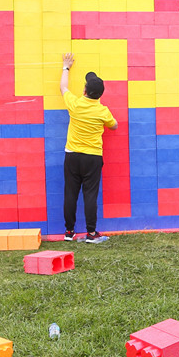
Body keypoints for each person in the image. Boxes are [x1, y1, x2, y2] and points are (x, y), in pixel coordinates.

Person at [60, 52, 118, 243]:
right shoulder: (103, 111)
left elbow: (63, 87)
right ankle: (91, 234)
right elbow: (114, 126)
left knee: (70, 193)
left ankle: (69, 232)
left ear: (84, 91)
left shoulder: (75, 104)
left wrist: (66, 67)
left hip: (72, 155)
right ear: (100, 94)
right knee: (90, 195)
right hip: (92, 157)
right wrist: (105, 122)